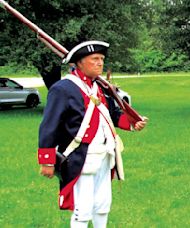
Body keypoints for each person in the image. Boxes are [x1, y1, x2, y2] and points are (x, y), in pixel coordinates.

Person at [38, 40, 148, 227]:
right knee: (83, 209)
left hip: (105, 155)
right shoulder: (63, 88)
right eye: (94, 59)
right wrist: (47, 160)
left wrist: (132, 123)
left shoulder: (100, 88)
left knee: (103, 204)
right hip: (81, 157)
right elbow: (49, 125)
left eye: (102, 59)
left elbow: (112, 115)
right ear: (79, 62)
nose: (100, 63)